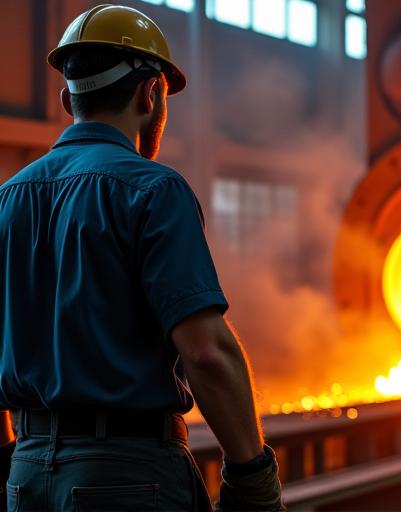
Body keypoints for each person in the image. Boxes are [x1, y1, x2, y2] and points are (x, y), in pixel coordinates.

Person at [0, 4, 283, 511]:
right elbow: (205, 352)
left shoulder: (9, 198)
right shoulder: (152, 190)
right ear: (150, 93)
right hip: (128, 479)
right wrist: (253, 477)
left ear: (69, 99)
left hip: (25, 477)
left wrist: (14, 465)